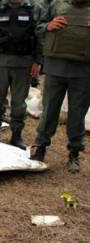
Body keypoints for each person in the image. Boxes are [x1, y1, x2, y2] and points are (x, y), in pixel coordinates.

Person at [30, 0, 90, 173]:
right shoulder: (55, 5)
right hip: (56, 67)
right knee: (49, 109)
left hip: (84, 70)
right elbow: (37, 28)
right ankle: (40, 146)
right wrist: (48, 25)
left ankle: (74, 152)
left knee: (78, 112)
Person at [0, 0, 43, 149]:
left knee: (19, 103)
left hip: (24, 64)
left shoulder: (34, 8)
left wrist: (38, 61)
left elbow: (40, 37)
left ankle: (16, 135)